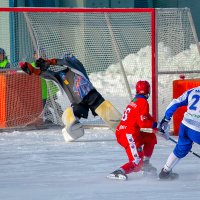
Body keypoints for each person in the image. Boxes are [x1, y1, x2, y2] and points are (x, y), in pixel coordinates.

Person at [19, 52, 121, 142]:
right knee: (69, 114)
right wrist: (33, 70)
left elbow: (69, 61)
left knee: (106, 111)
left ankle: (121, 127)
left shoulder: (77, 67)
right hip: (77, 103)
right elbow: (48, 74)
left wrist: (51, 61)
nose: (68, 60)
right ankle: (72, 127)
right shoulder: (61, 75)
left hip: (92, 96)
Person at [107, 80, 157, 180]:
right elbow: (143, 123)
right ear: (148, 91)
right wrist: (155, 124)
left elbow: (146, 116)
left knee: (150, 137)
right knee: (137, 161)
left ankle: (146, 165)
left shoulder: (136, 100)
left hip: (129, 132)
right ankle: (119, 171)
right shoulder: (143, 102)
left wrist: (157, 126)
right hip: (127, 134)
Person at [158, 86, 200, 180]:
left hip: (185, 126)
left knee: (180, 148)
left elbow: (175, 102)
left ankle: (165, 171)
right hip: (198, 129)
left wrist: (166, 119)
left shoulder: (192, 91)